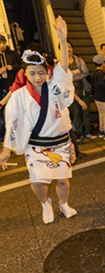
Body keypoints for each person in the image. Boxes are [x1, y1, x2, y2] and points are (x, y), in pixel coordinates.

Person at [0, 16, 77, 224]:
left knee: (62, 179)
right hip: (36, 146)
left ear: (46, 72)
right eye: (32, 73)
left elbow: (63, 70)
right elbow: (13, 123)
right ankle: (45, 203)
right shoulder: (18, 96)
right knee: (38, 183)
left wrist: (62, 39)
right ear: (24, 73)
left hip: (59, 142)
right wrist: (7, 149)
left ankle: (63, 204)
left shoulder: (54, 87)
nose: (37, 77)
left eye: (41, 73)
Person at [66, 40, 92, 141]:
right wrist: (77, 72)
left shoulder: (79, 60)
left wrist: (71, 75)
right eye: (67, 47)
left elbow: (85, 72)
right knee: (76, 113)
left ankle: (87, 131)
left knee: (86, 111)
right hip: (72, 92)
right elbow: (64, 77)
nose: (69, 49)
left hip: (83, 89)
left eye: (70, 47)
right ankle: (79, 133)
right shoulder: (62, 63)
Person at [0, 35, 21, 141]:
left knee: (15, 112)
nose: (1, 45)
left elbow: (23, 66)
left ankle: (18, 135)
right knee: (3, 116)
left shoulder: (12, 54)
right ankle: (4, 138)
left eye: (3, 43)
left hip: (14, 87)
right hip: (2, 88)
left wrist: (12, 67)